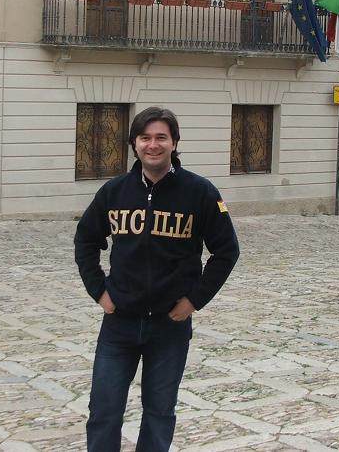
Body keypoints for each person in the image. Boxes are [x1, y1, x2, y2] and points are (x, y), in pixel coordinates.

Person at [74, 106, 240, 452]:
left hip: (169, 325)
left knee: (159, 413)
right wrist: (100, 292)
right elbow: (86, 240)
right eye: (145, 137)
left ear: (174, 143)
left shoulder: (200, 192)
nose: (153, 145)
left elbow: (227, 251)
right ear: (134, 144)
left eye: (161, 137)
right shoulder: (114, 192)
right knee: (103, 411)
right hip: (119, 323)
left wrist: (194, 300)